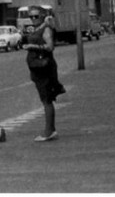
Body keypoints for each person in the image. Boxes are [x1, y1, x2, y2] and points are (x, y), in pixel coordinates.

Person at [25, 14, 65, 142]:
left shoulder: (46, 29)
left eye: (36, 16)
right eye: (31, 16)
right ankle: (50, 129)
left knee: (46, 99)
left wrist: (33, 47)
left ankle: (49, 131)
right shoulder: (38, 28)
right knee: (45, 98)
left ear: (42, 17)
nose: (33, 18)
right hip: (37, 68)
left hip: (44, 68)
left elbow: (50, 46)